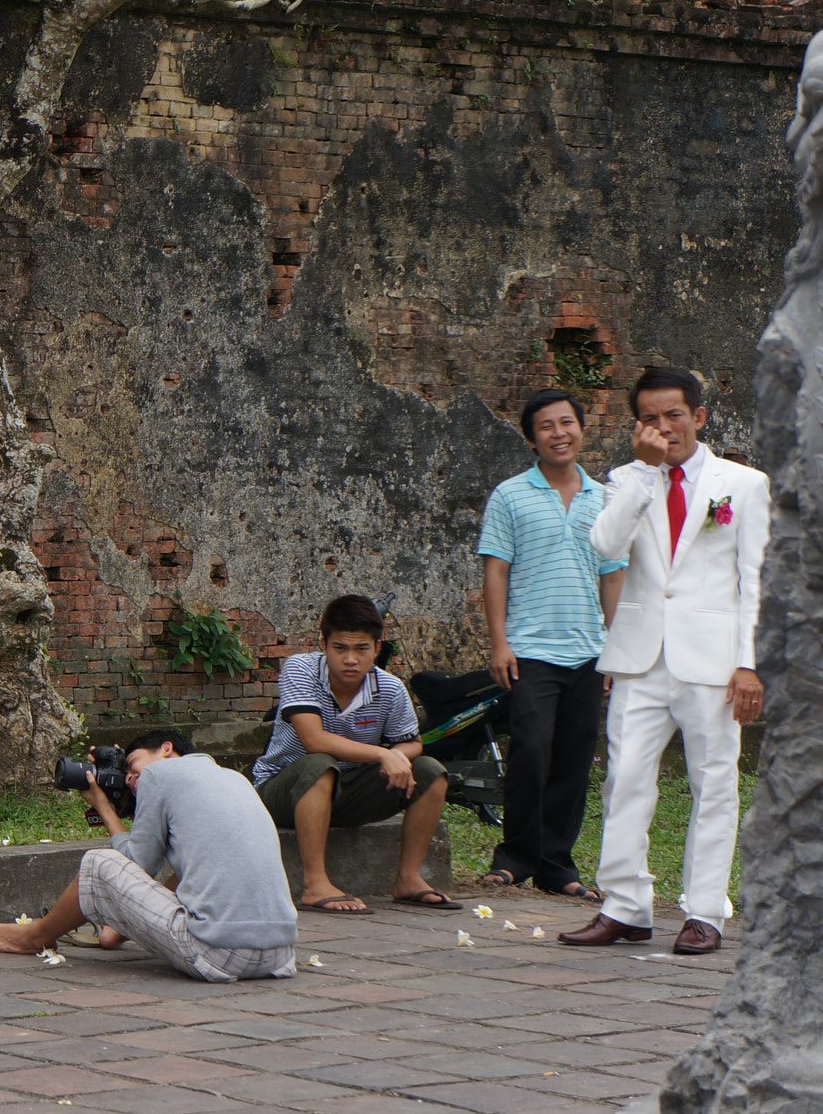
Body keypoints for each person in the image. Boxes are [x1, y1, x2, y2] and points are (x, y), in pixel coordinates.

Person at [560, 367, 768, 955]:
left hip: (714, 659)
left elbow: (754, 580)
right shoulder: (625, 478)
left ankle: (704, 911)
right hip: (639, 653)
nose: (663, 427)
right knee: (624, 781)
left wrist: (749, 664)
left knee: (714, 784)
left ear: (699, 417)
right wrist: (645, 474)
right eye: (649, 418)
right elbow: (605, 545)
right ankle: (624, 905)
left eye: (673, 415)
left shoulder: (744, 485)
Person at [0, 731, 298, 982]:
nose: (129, 778)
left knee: (99, 864)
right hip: (279, 955)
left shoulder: (160, 774)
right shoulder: (233, 778)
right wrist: (119, 929)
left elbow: (136, 866)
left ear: (166, 749)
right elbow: (191, 871)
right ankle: (99, 929)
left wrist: (103, 807)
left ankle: (34, 936)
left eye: (132, 765)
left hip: (218, 954)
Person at [476, 390, 626, 901]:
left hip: (590, 651)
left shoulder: (606, 499)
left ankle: (556, 865)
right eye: (546, 426)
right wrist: (500, 643)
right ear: (531, 437)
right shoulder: (509, 495)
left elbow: (613, 578)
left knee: (574, 757)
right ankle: (515, 857)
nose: (559, 433)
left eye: (567, 423)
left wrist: (615, 649)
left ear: (583, 429)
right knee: (532, 751)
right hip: (530, 650)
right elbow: (496, 571)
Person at [251, 595, 461, 913]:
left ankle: (408, 879)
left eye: (361, 648)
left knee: (430, 771)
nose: (350, 659)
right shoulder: (301, 669)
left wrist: (397, 756)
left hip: (345, 792)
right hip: (283, 791)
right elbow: (313, 740)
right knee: (321, 764)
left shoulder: (389, 688)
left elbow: (413, 743)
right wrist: (382, 754)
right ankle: (314, 884)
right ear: (324, 644)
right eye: (340, 648)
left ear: (377, 649)